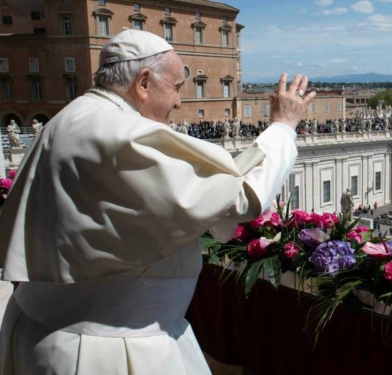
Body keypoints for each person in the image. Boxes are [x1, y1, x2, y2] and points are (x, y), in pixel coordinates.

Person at [0, 29, 316, 374]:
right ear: (144, 82)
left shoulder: (72, 117)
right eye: (177, 87)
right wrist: (283, 128)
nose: (180, 102)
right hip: (104, 350)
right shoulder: (120, 133)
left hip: (48, 331)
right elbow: (240, 198)